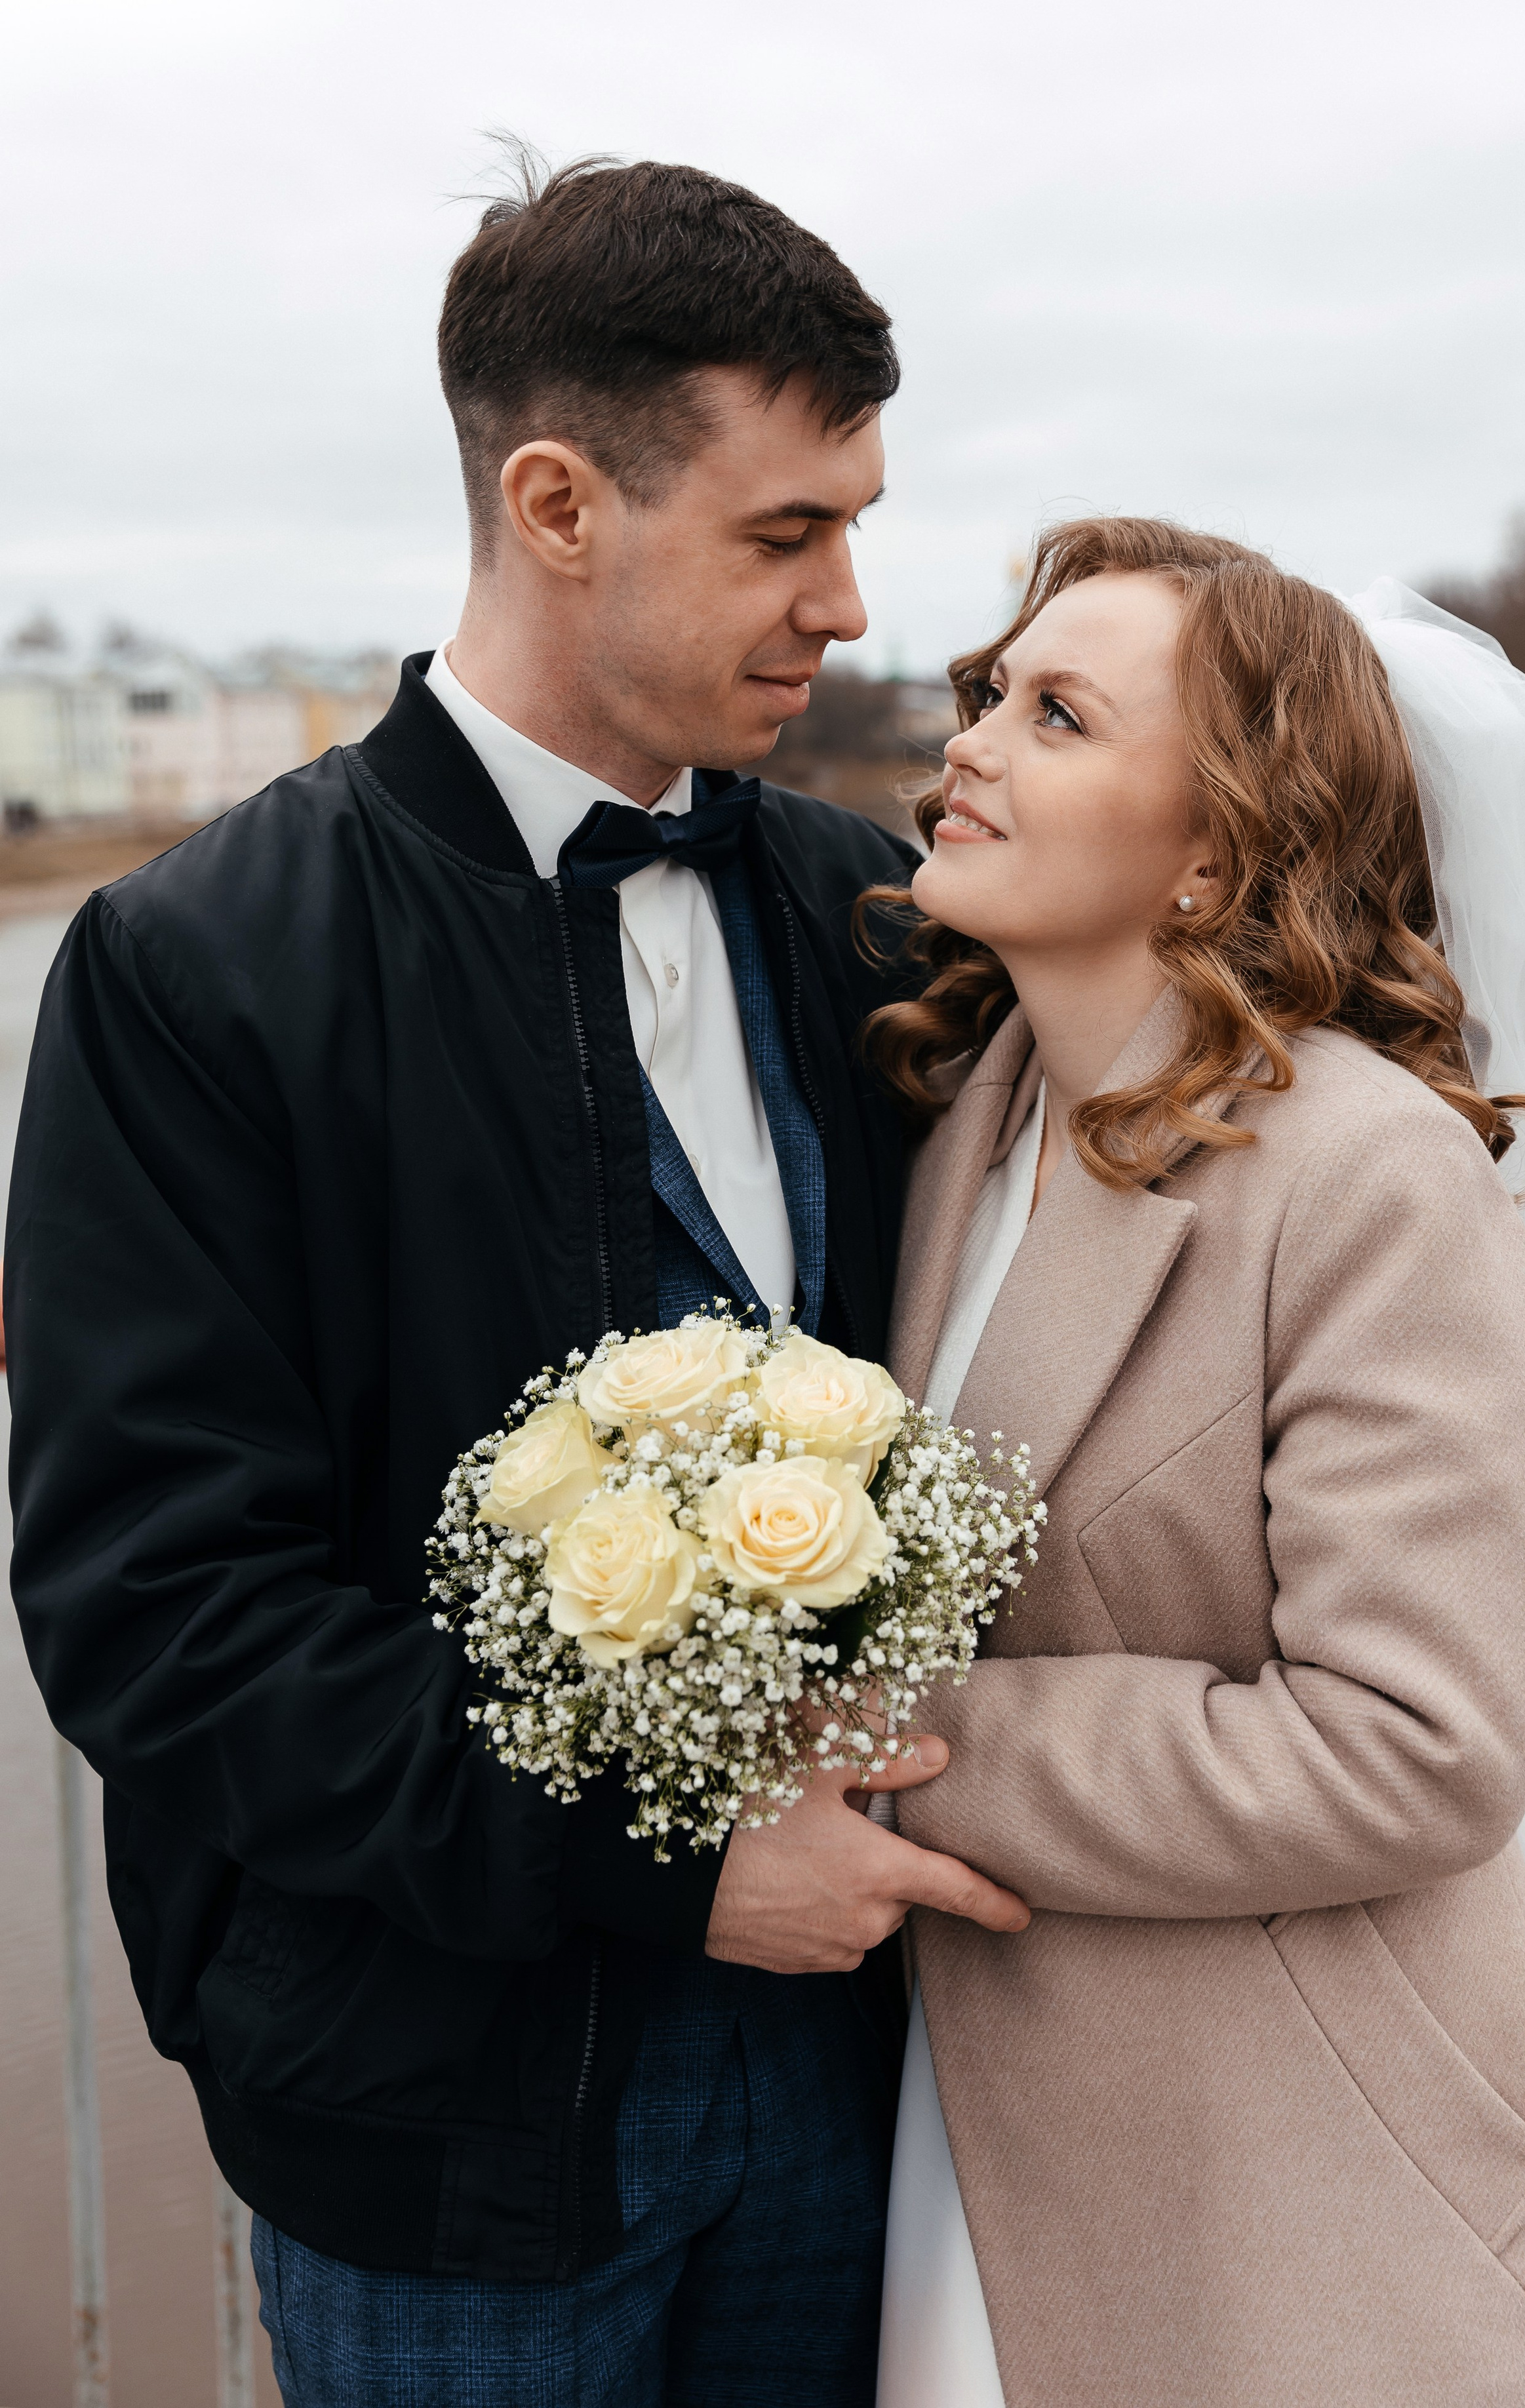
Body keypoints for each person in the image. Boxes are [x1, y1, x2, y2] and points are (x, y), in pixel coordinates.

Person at [5, 155, 1028, 2408]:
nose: (849, 604)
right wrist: (665, 1867)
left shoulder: (875, 917)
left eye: (857, 523)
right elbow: (159, 1611)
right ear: (558, 503)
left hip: (864, 2079)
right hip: (433, 2125)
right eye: (787, 532)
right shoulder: (194, 968)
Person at [863, 518, 1525, 2407]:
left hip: (1297, 2176)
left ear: (1215, 851)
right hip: (975, 2121)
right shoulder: (967, 1119)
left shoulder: (1368, 1172)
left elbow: (1417, 1743)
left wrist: (901, 1745)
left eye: (1059, 716)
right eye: (990, 691)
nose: (970, 738)